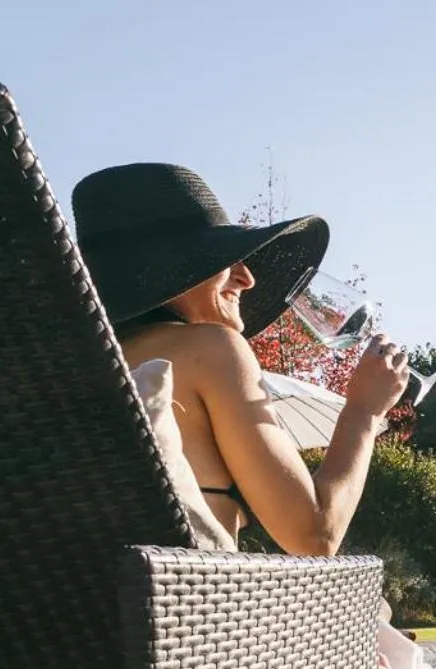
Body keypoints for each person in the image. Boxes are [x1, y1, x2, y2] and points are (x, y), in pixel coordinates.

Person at [70, 162, 408, 553]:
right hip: (186, 606)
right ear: (169, 271)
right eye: (221, 261)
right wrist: (365, 411)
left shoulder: (72, 370)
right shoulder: (210, 350)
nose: (247, 278)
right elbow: (315, 537)